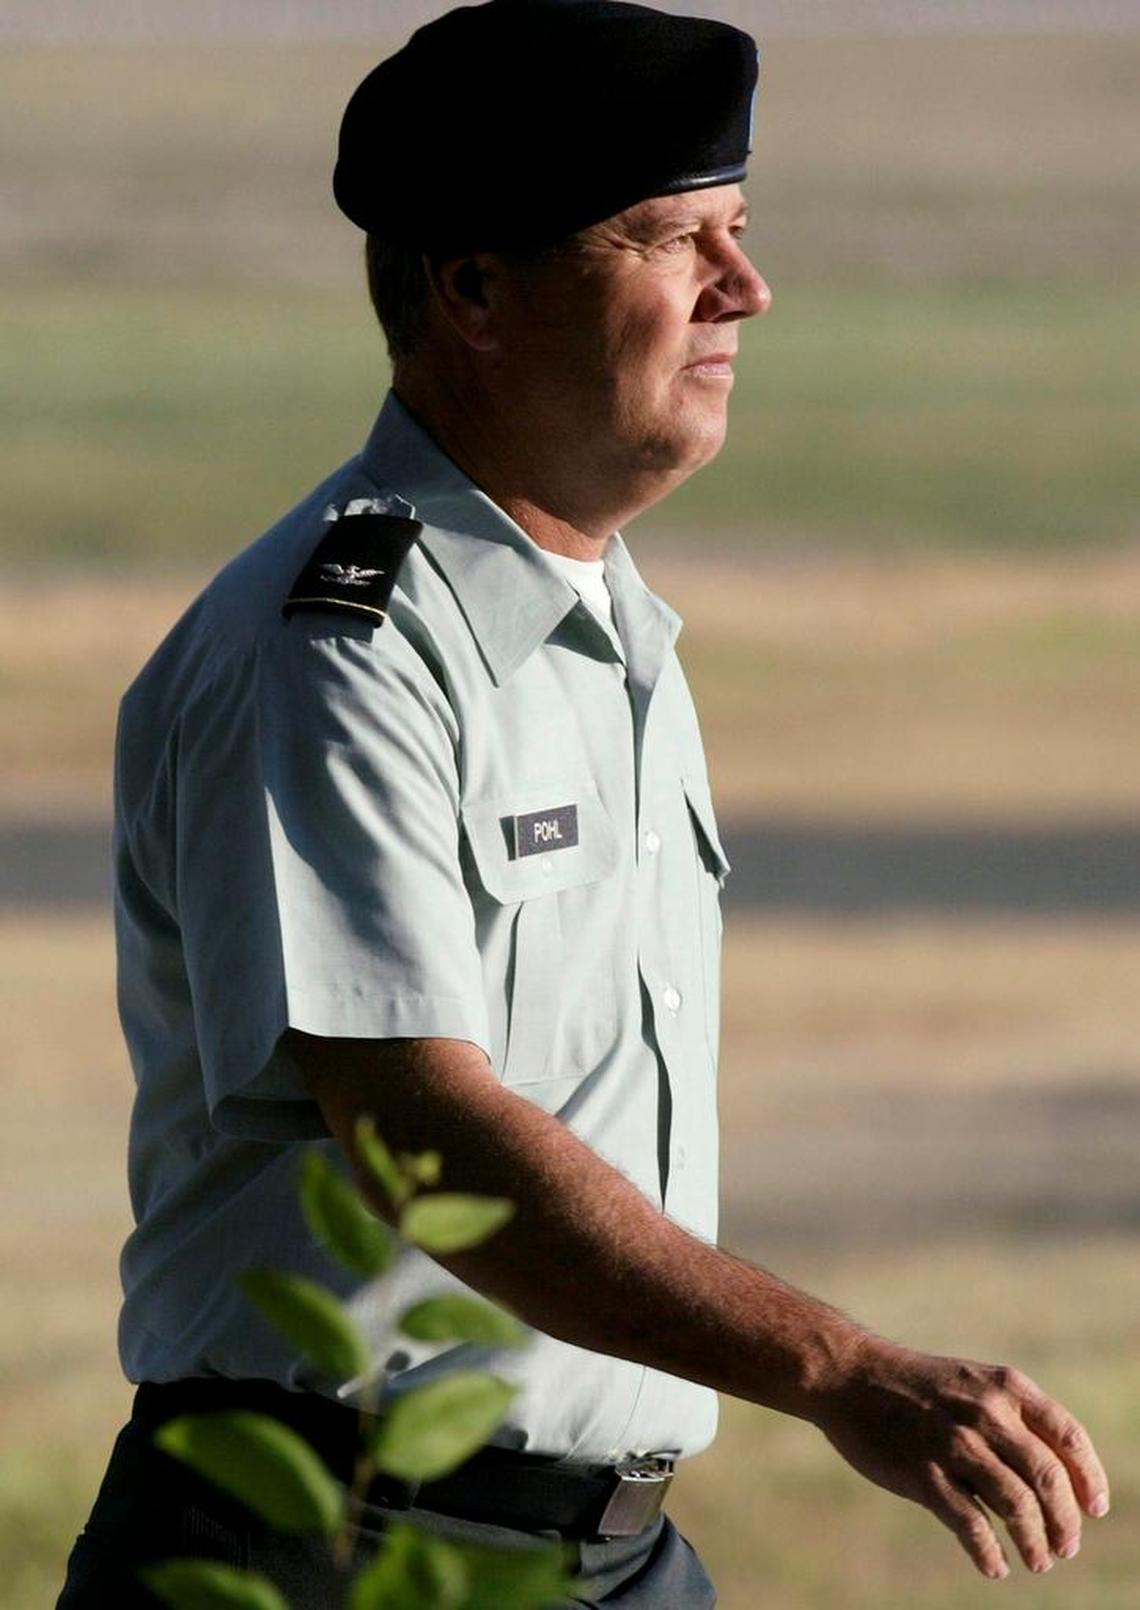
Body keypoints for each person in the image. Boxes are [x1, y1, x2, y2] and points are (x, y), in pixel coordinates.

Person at [59, 1, 1109, 1604]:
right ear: (476, 286)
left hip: (601, 1556)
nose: (746, 289)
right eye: (672, 237)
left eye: (738, 233)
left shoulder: (613, 632)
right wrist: (836, 1367)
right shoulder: (336, 648)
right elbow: (423, 1128)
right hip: (336, 1549)